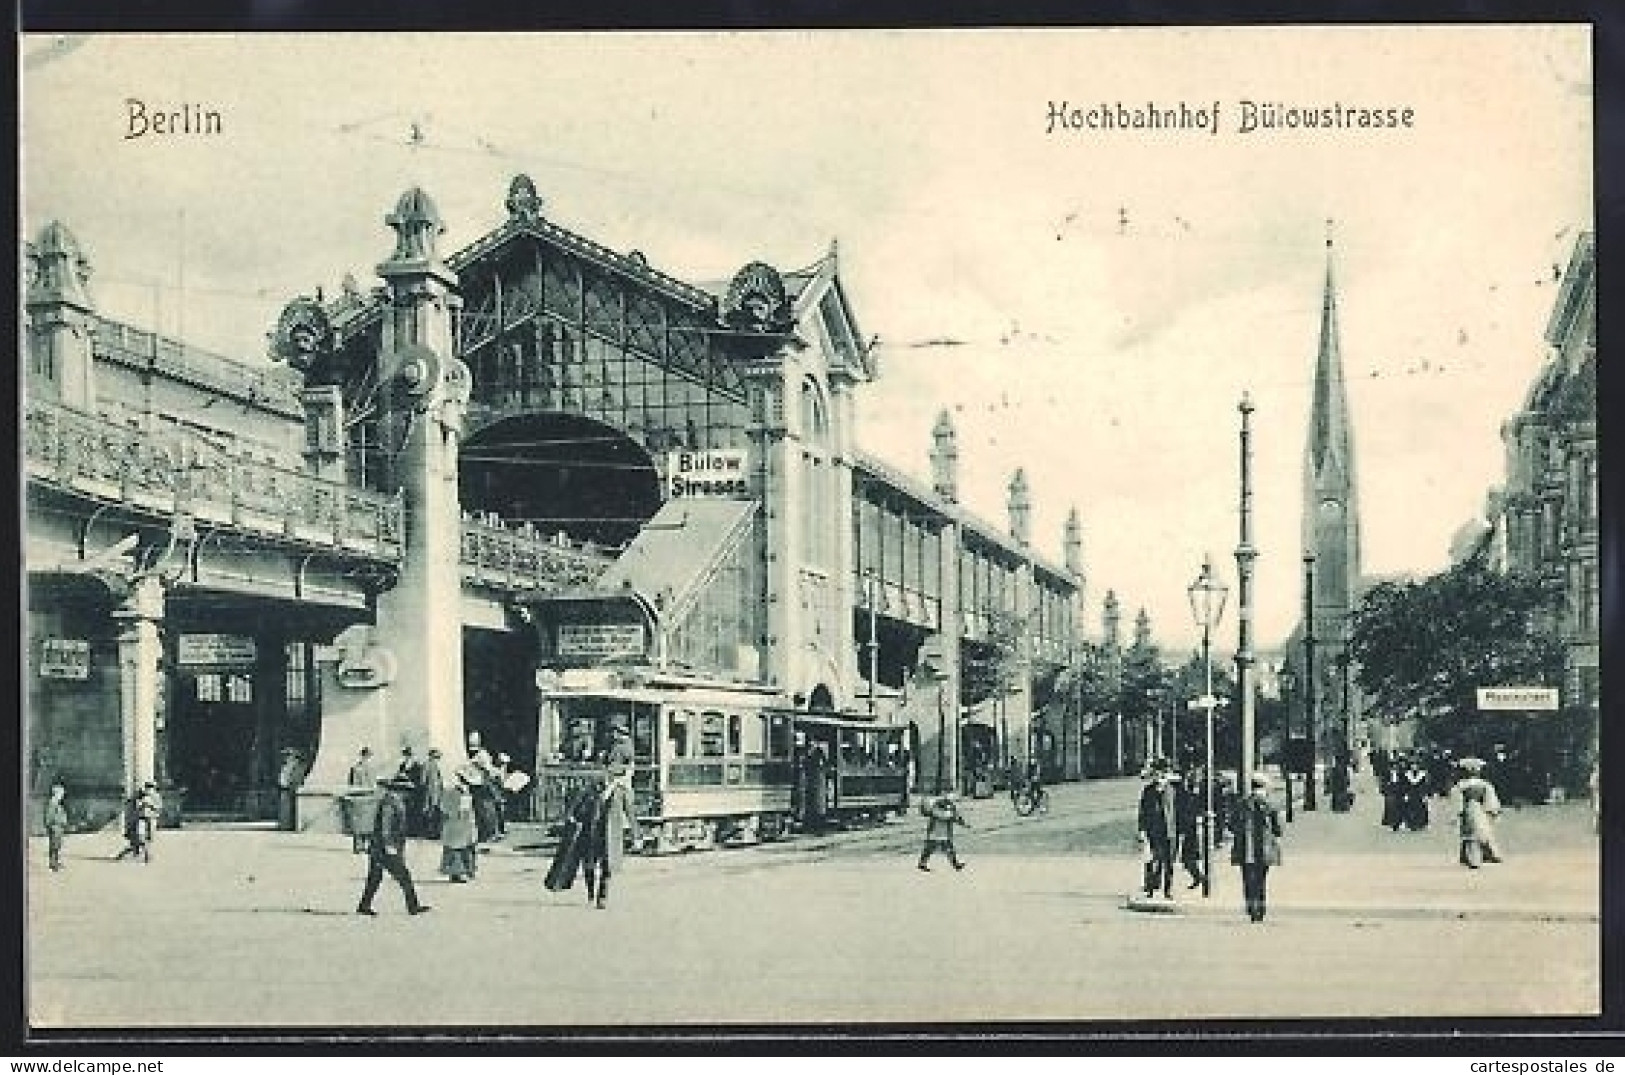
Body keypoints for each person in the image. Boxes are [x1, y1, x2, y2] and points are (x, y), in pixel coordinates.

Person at [356, 775, 431, 916]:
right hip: (384, 848)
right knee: (404, 876)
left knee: (375, 877)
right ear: (399, 789)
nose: (407, 793)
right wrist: (389, 845)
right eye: (406, 790)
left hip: (379, 847)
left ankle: (364, 905)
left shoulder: (393, 800)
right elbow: (386, 825)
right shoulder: (390, 802)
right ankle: (413, 906)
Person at [1231, 771, 1284, 923]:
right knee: (1261, 880)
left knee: (1248, 879)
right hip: (1265, 848)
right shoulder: (1271, 804)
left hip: (1245, 848)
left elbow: (1232, 824)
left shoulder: (1242, 803)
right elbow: (1278, 828)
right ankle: (1260, 908)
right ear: (1264, 787)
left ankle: (1251, 906)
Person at [582, 770, 638, 909]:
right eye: (607, 775)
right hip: (592, 833)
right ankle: (590, 893)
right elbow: (581, 807)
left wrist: (636, 834)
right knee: (589, 865)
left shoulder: (621, 792)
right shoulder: (592, 789)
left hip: (611, 835)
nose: (609, 778)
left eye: (613, 775)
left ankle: (602, 898)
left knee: (607, 868)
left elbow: (630, 813)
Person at [1451, 757, 1504, 868]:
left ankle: (1473, 858)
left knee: (1470, 833)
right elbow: (1490, 799)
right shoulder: (1483, 784)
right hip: (1479, 809)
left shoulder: (1461, 785)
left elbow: (1457, 801)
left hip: (1469, 809)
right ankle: (1476, 856)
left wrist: (1458, 812)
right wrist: (1493, 811)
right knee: (1480, 832)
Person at [1136, 762, 1178, 899]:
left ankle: (1168, 890)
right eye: (1157, 774)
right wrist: (1142, 830)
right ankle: (1152, 888)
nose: (1159, 777)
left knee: (1169, 863)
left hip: (1170, 831)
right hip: (1154, 831)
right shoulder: (1148, 791)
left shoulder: (1173, 790)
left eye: (1162, 774)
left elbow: (1179, 811)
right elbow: (1142, 812)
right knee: (1154, 860)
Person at [439, 768, 479, 883]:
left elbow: (443, 807)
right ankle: (458, 873)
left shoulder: (451, 791)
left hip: (456, 823)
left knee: (459, 848)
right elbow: (464, 811)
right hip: (460, 823)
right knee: (459, 849)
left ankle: (460, 872)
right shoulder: (462, 794)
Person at [916, 793, 968, 872]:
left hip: (944, 833)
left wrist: (962, 823)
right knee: (929, 849)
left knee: (949, 848)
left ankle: (956, 865)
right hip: (935, 832)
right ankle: (922, 863)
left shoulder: (949, 809)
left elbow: (955, 817)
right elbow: (943, 815)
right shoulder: (937, 808)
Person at [1175, 768, 1205, 890]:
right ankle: (1199, 877)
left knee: (1188, 858)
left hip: (1193, 830)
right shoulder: (1186, 794)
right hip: (1189, 829)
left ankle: (1200, 878)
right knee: (1187, 858)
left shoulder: (1191, 796)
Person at [347, 747, 379, 854]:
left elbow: (352, 784)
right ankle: (366, 846)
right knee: (368, 824)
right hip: (368, 798)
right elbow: (373, 784)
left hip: (359, 798)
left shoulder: (356, 768)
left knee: (359, 824)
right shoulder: (369, 768)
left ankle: (358, 846)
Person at [397, 746, 426, 836]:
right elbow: (399, 776)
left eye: (408, 755)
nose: (407, 757)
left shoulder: (416, 766)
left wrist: (411, 781)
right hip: (404, 790)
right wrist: (400, 777)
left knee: (414, 811)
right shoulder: (402, 765)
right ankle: (406, 830)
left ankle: (414, 831)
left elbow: (419, 780)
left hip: (414, 791)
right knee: (405, 811)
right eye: (405, 755)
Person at [276, 748, 306, 832]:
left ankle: (288, 825)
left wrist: (292, 786)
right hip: (284, 788)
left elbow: (296, 778)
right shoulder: (286, 765)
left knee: (288, 808)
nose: (286, 757)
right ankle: (284, 825)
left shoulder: (297, 766)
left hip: (290, 789)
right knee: (284, 808)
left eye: (288, 755)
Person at [420, 747, 445, 840]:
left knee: (435, 812)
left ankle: (435, 832)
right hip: (430, 793)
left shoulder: (435, 766)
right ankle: (429, 833)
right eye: (435, 757)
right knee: (430, 812)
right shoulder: (427, 765)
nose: (436, 759)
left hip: (436, 793)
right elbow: (423, 780)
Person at [44, 782, 69, 872]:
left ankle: (56, 862)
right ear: (56, 793)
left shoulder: (57, 803)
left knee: (57, 845)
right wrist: (51, 826)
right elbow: (49, 817)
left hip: (59, 828)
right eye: (61, 793)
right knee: (54, 846)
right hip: (55, 828)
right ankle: (53, 864)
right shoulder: (52, 803)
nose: (62, 795)